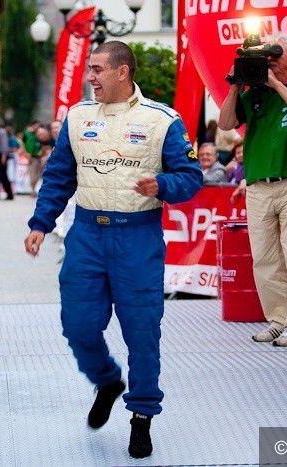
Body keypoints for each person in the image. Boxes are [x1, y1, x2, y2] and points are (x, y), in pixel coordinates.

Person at [24, 41, 202, 459]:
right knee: (77, 325)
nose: (91, 77)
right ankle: (106, 380)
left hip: (137, 238)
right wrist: (40, 223)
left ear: (122, 72)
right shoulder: (78, 117)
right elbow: (59, 176)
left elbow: (191, 177)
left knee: (142, 333)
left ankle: (142, 416)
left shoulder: (162, 120)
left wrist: (162, 185)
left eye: (98, 69)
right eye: (89, 69)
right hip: (87, 236)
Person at [218, 31, 287, 347]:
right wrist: (235, 86)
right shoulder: (254, 93)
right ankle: (278, 320)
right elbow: (225, 124)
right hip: (259, 184)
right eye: (267, 57)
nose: (270, 61)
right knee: (265, 258)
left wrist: (276, 85)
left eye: (276, 55)